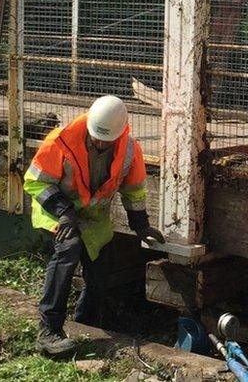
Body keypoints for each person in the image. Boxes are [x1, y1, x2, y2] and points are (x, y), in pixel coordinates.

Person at [24, 95, 165, 355]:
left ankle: (85, 325)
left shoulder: (130, 150)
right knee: (68, 251)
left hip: (93, 219)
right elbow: (36, 182)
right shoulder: (61, 140)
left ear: (120, 132)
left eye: (107, 140)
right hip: (57, 212)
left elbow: (134, 191)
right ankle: (48, 331)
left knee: (100, 271)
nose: (100, 143)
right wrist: (64, 212)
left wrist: (141, 226)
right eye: (96, 137)